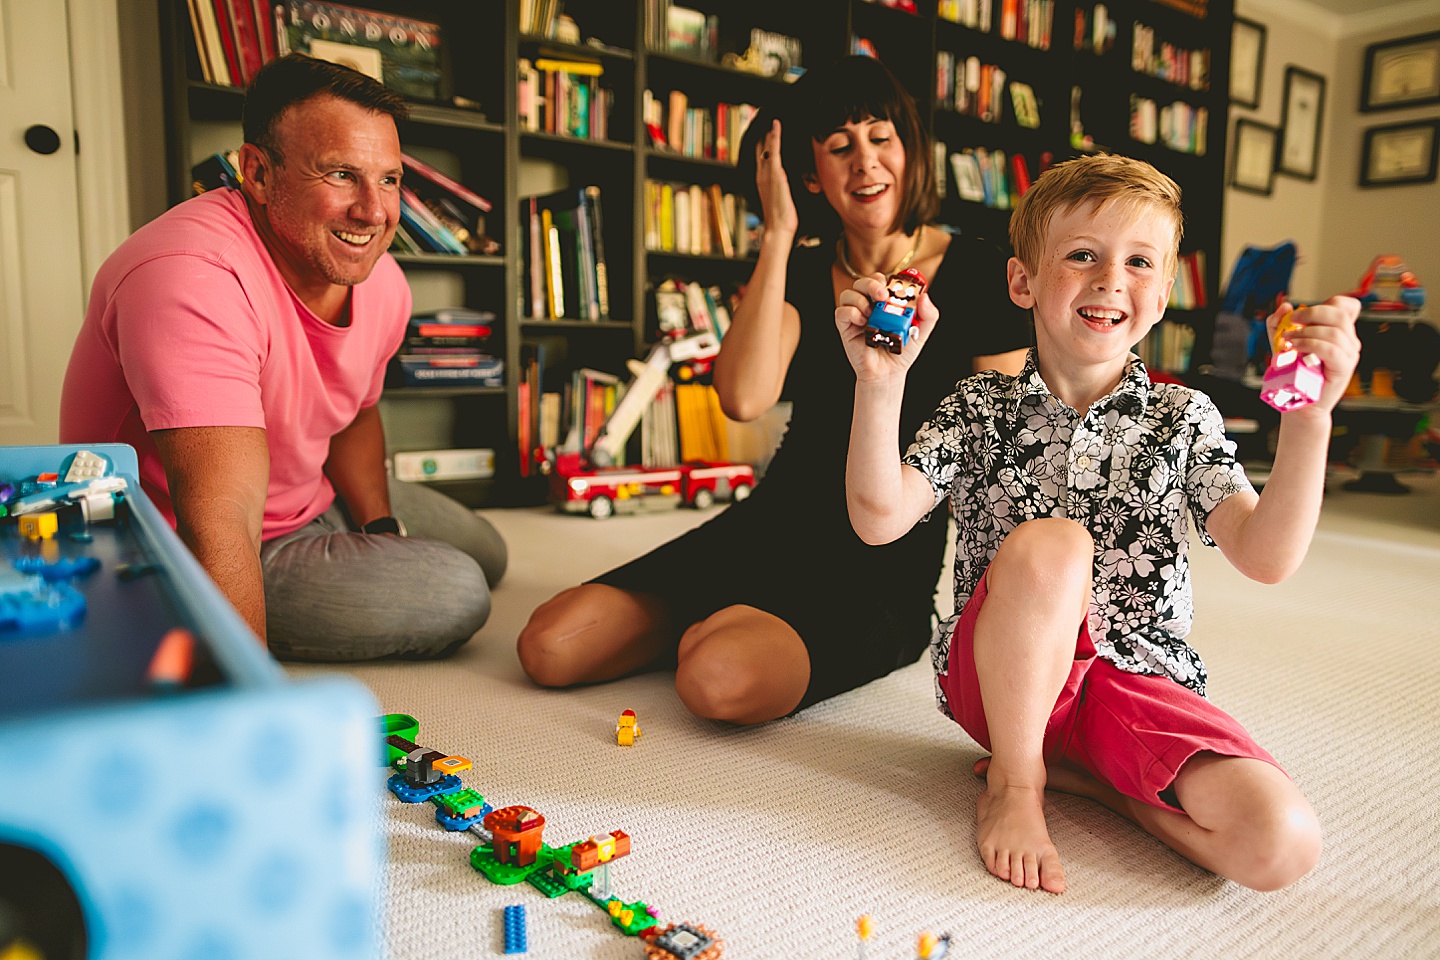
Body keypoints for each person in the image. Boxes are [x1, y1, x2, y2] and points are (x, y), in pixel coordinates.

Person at [838, 153, 1359, 894]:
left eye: (1140, 262)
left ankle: (1094, 783)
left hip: (1132, 679)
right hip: (1005, 681)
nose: (1112, 279)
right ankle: (1017, 786)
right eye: (1081, 255)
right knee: (1057, 543)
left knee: (1282, 842)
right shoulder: (979, 404)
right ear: (1023, 281)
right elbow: (878, 520)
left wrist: (1310, 423)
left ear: (1164, 294)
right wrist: (879, 385)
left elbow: (1267, 555)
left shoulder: (1185, 418)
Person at [516, 56, 1031, 724]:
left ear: (910, 149)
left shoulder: (983, 271)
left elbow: (1005, 445)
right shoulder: (801, 268)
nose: (866, 164)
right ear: (810, 176)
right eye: (840, 148)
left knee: (715, 678)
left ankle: (737, 629)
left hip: (879, 562)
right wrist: (779, 235)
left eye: (882, 138)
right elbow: (742, 397)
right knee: (548, 646)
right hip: (768, 527)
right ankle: (733, 617)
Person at [60, 54, 506, 661]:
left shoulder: (383, 281)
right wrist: (250, 707)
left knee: (487, 552)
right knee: (457, 592)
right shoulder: (190, 276)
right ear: (258, 173)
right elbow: (218, 515)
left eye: (390, 179)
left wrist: (378, 532)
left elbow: (352, 414)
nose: (374, 213)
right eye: (341, 175)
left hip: (308, 490)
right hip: (184, 539)